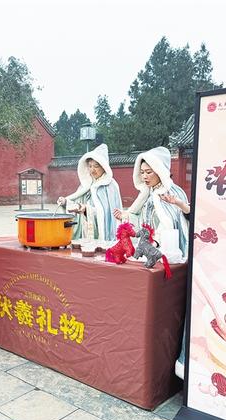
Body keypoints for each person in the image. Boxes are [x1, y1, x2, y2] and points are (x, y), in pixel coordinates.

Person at [113, 146, 190, 379]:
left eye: (149, 172)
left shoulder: (173, 192)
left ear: (160, 170)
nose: (145, 176)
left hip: (171, 256)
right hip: (150, 254)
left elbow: (184, 221)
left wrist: (178, 206)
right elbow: (143, 225)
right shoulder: (146, 196)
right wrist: (127, 219)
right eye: (142, 172)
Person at [57, 143, 122, 241]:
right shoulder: (86, 185)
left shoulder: (110, 186)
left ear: (104, 166)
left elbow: (108, 214)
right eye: (90, 166)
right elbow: (77, 203)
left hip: (102, 233)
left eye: (96, 166)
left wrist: (87, 209)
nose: (92, 170)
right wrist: (66, 202)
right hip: (85, 231)